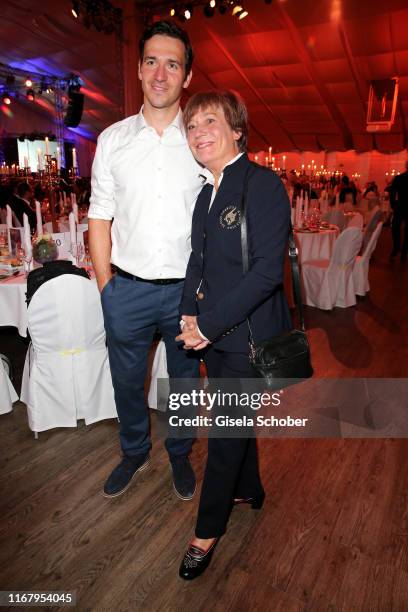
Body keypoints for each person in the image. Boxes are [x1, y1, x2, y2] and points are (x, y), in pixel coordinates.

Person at [176, 91, 292, 579]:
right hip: (214, 336)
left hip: (246, 338)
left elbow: (267, 273)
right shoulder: (207, 192)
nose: (199, 131)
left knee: (224, 432)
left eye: (209, 121)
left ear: (237, 129)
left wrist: (207, 324)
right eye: (191, 125)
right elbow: (197, 261)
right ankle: (252, 489)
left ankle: (207, 532)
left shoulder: (262, 185)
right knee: (236, 418)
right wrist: (187, 315)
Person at [88, 21, 203, 500]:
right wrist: (106, 288)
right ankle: (134, 452)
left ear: (187, 77)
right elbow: (99, 216)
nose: (161, 73)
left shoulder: (203, 140)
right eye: (152, 61)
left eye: (172, 64)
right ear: (138, 69)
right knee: (126, 383)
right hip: (128, 289)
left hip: (186, 292)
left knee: (184, 385)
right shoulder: (113, 140)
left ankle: (179, 453)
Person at [389, 161, 408, 262]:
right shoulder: (399, 177)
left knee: (395, 227)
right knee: (395, 227)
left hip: (399, 206)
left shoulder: (399, 178)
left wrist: (393, 204)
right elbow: (392, 191)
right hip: (400, 206)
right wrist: (393, 204)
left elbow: (392, 191)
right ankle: (400, 249)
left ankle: (399, 249)